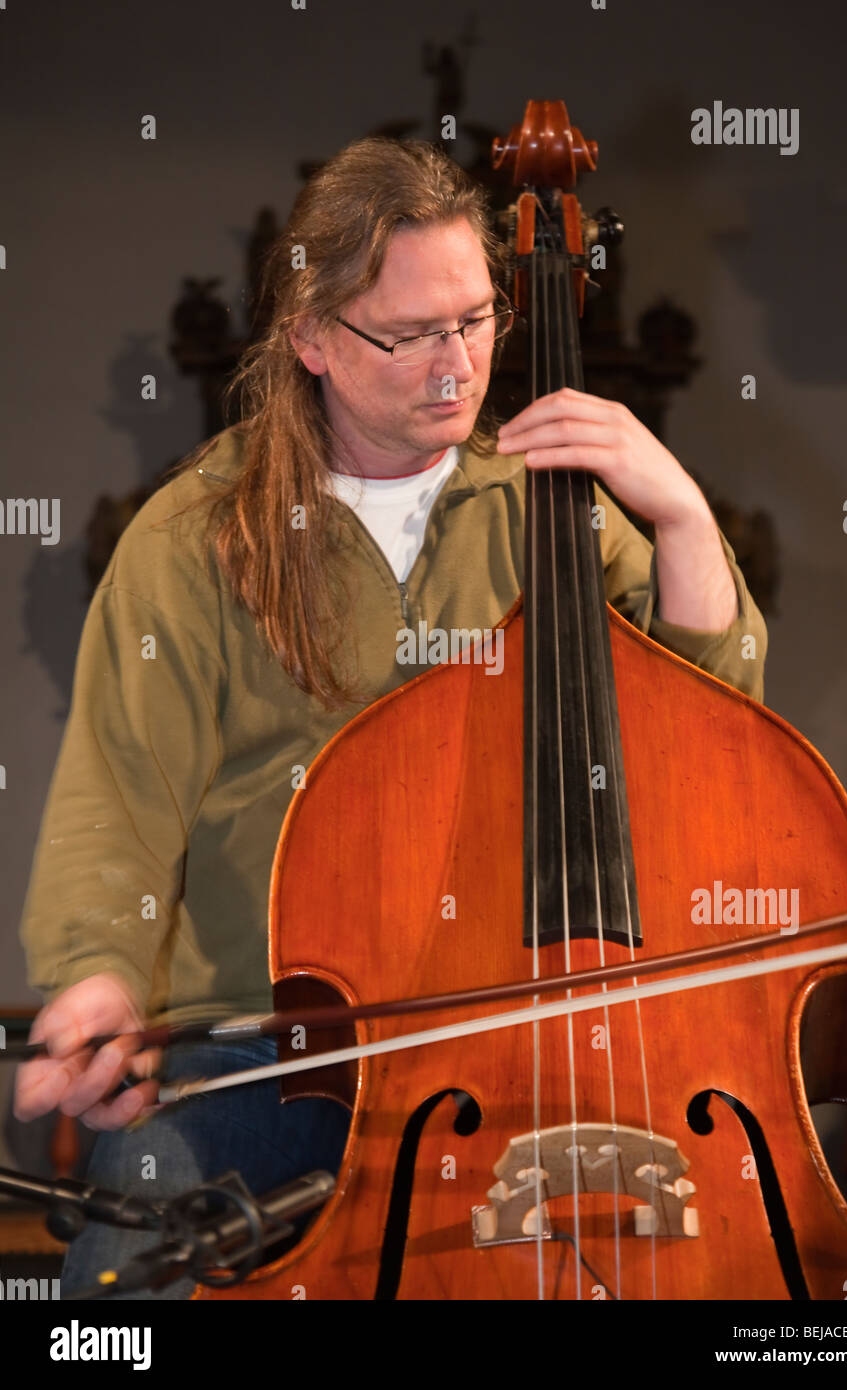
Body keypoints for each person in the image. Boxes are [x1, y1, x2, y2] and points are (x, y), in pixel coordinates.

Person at [13, 137, 767, 1298]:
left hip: (527, 1042)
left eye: (474, 321)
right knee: (125, 1280)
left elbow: (716, 732)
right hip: (271, 1053)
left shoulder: (550, 513)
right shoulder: (191, 541)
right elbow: (117, 803)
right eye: (409, 334)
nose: (455, 365)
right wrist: (99, 974)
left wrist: (679, 520)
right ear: (311, 337)